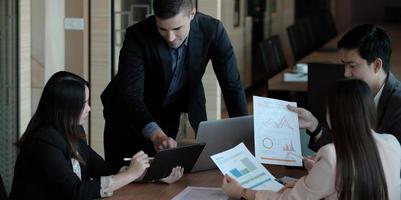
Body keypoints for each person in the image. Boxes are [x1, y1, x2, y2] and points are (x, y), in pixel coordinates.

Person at [101, 0, 248, 170]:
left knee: (162, 172)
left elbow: (232, 85)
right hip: (127, 112)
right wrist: (155, 133)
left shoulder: (212, 30)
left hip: (168, 110)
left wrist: (242, 135)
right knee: (123, 174)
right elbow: (131, 94)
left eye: (177, 29)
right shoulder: (138, 35)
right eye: (162, 29)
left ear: (192, 14)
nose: (170, 38)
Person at [9, 71, 183, 200]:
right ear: (65, 108)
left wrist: (151, 175)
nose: (89, 109)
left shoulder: (74, 131)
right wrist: (130, 175)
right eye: (83, 104)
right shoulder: (44, 141)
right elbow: (76, 191)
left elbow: (103, 169)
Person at [222, 79, 401, 200]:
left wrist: (242, 192)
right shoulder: (392, 143)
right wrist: (318, 171)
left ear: (333, 115)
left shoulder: (332, 155)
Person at [288, 24, 401, 152]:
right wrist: (314, 126)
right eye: (345, 65)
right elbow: (345, 148)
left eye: (352, 66)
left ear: (377, 65)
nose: (346, 73)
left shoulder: (397, 106)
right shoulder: (356, 92)